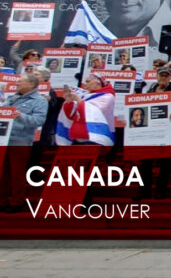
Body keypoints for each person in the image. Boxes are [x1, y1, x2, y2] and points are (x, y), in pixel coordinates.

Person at [0, 72, 48, 213]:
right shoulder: (12, 98)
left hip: (20, 140)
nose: (17, 83)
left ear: (31, 84)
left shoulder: (39, 100)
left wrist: (21, 116)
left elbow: (39, 121)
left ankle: (17, 202)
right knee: (3, 172)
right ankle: (2, 201)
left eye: (20, 81)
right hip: (4, 138)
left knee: (17, 173)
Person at [135, 66, 171, 201]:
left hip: (167, 132)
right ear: (156, 76)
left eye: (166, 75)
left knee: (165, 163)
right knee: (146, 163)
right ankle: (144, 190)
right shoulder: (150, 90)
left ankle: (160, 190)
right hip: (150, 132)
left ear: (170, 77)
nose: (163, 77)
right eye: (161, 75)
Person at [58, 73, 116, 146]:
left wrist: (78, 99)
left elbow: (93, 113)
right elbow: (72, 115)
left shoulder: (107, 97)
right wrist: (69, 102)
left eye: (88, 81)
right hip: (78, 137)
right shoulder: (86, 95)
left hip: (95, 138)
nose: (85, 84)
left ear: (97, 83)